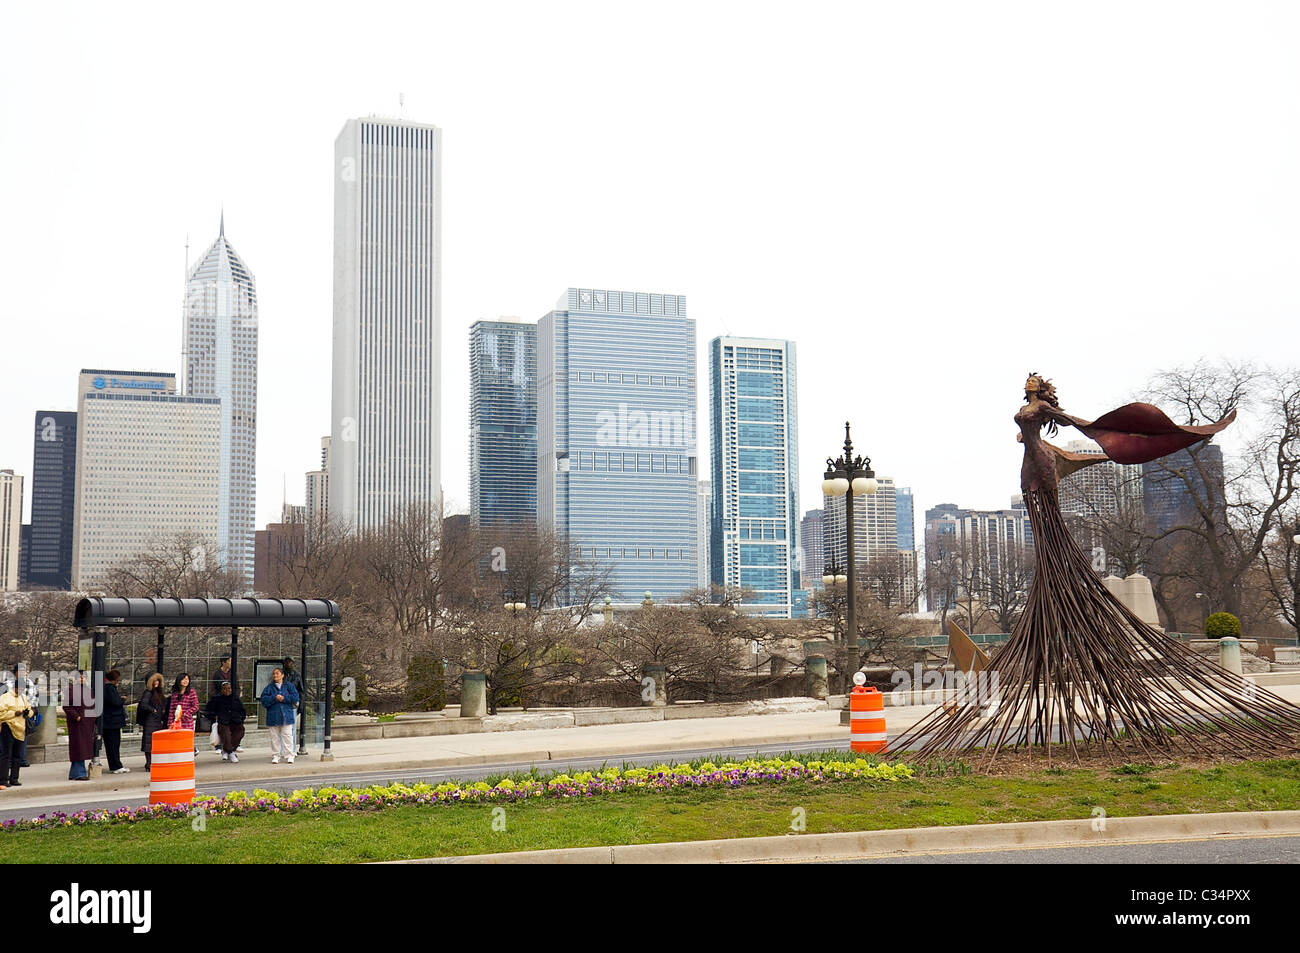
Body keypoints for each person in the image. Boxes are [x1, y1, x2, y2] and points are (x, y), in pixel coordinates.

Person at [891, 373, 1300, 761]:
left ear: (1044, 389)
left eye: (1034, 382)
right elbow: (1031, 433)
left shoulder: (1045, 410)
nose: (1028, 384)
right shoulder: (1028, 412)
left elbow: (1085, 426)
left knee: (1050, 529)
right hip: (1030, 469)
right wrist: (1025, 437)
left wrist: (1178, 433)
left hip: (1044, 467)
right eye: (1027, 383)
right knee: (1041, 528)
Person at [0, 673, 35, 790]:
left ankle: (14, 778)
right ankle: (3, 779)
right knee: (6, 754)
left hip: (21, 728)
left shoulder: (23, 697)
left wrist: (27, 713)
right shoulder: (5, 698)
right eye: (18, 689)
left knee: (17, 755)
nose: (20, 691)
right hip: (8, 727)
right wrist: (14, 713)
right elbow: (1, 714)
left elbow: (30, 710)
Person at [258, 668, 298, 764]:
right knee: (274, 737)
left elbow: (295, 697)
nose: (275, 675)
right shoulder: (269, 687)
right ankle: (276, 755)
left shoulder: (289, 686)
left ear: (282, 675)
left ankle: (289, 755)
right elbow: (264, 700)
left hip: (286, 715)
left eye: (277, 673)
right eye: (274, 674)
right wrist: (274, 698)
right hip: (273, 715)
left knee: (287, 736)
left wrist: (284, 698)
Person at [63, 674, 97, 781]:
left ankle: (75, 773)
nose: (82, 679)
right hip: (77, 724)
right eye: (80, 677)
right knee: (79, 747)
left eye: (83, 677)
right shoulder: (71, 690)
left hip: (87, 723)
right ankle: (79, 773)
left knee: (82, 748)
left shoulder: (88, 690)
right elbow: (66, 706)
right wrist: (76, 716)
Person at [204, 682, 246, 762]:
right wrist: (215, 717)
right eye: (225, 688)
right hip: (223, 721)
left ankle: (227, 750)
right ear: (221, 690)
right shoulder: (216, 699)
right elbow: (208, 711)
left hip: (235, 721)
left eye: (229, 688)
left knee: (240, 731)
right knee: (225, 733)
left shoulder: (235, 698)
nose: (227, 690)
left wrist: (241, 719)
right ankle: (230, 752)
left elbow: (242, 710)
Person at [101, 669, 129, 774]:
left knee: (113, 745)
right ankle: (116, 766)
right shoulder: (109, 688)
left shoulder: (105, 687)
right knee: (113, 745)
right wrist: (122, 700)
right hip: (112, 722)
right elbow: (115, 702)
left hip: (110, 721)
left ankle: (116, 765)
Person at [167, 673, 200, 758]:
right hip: (177, 721)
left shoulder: (191, 692)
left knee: (186, 738)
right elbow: (172, 709)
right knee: (177, 739)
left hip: (187, 721)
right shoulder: (175, 693)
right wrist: (170, 722)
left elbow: (196, 706)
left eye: (187, 679)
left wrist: (187, 713)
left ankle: (191, 752)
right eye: (184, 679)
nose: (186, 681)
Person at [137, 673, 165, 770]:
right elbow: (143, 705)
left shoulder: (158, 692)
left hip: (156, 720)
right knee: (149, 743)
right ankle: (149, 763)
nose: (156, 682)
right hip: (151, 720)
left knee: (153, 743)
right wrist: (153, 710)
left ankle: (152, 763)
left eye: (158, 680)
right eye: (154, 681)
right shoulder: (148, 692)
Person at [282, 656, 305, 753]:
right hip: (282, 704)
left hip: (292, 704)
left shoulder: (297, 675)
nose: (288, 664)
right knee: (281, 727)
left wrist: (301, 705)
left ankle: (292, 749)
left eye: (290, 662)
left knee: (292, 728)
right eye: (287, 662)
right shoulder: (280, 674)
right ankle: (282, 750)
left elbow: (301, 691)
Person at [209, 657, 232, 750]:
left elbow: (236, 686)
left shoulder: (232, 673)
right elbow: (213, 689)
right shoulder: (217, 674)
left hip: (230, 701)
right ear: (223, 662)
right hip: (220, 702)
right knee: (219, 723)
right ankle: (218, 745)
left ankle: (232, 744)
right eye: (229, 661)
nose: (231, 663)